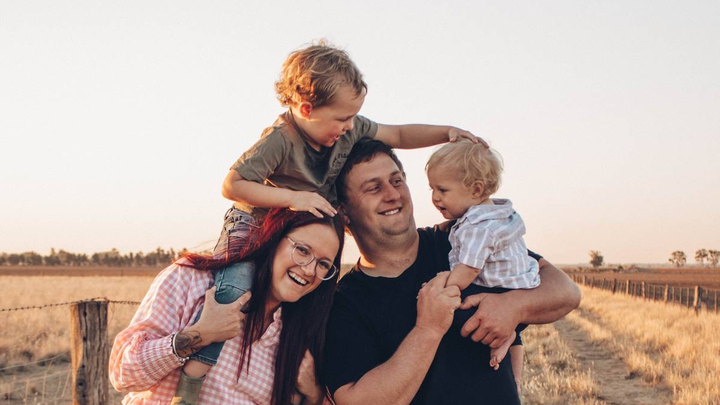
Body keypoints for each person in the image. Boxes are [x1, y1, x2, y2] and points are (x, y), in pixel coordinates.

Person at [183, 40, 481, 398]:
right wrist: (294, 199)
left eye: (353, 117)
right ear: (306, 108)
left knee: (304, 305)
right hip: (253, 228)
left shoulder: (347, 130)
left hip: (295, 237)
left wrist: (446, 133)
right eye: (342, 119)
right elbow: (232, 185)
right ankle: (191, 383)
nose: (350, 125)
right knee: (234, 293)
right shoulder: (280, 139)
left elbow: (399, 134)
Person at [322, 140, 581, 405]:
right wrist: (428, 329)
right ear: (343, 212)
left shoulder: (461, 239)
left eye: (397, 181)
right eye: (374, 188)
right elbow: (356, 401)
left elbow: (567, 292)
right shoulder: (344, 302)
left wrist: (514, 306)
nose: (393, 194)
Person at [109, 209, 345, 405]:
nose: (309, 270)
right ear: (274, 238)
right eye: (302, 250)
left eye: (324, 264)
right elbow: (123, 375)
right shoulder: (194, 280)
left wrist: (314, 392)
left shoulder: (297, 336)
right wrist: (201, 333)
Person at [426, 140, 541, 389]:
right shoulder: (499, 213)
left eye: (442, 190)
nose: (435, 197)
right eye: (432, 189)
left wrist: (442, 288)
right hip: (520, 287)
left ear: (476, 190)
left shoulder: (477, 227)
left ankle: (506, 343)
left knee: (457, 312)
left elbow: (469, 268)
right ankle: (514, 376)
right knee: (513, 331)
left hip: (497, 288)